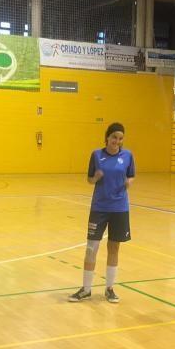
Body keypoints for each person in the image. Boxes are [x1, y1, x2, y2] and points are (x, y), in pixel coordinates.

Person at [70, 122, 135, 303]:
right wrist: (95, 178)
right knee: (91, 248)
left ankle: (110, 289)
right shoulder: (97, 155)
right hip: (99, 208)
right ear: (107, 137)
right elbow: (90, 179)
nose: (117, 141)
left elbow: (131, 175)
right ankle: (86, 289)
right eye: (114, 137)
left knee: (114, 248)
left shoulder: (128, 156)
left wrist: (130, 182)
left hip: (120, 208)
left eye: (120, 138)